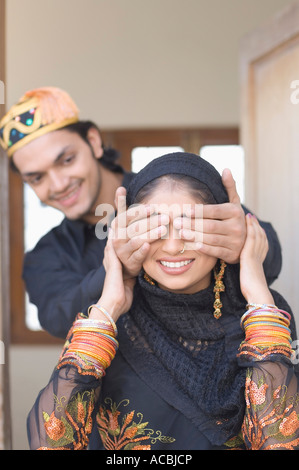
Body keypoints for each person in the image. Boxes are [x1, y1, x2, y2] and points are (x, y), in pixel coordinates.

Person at [27, 152, 299, 450]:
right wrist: (108, 304)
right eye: (153, 229)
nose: (172, 246)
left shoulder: (265, 316)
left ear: (221, 228)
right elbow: (51, 445)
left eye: (191, 225)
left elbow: (280, 442)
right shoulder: (106, 324)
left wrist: (257, 290)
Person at [0, 87, 282, 339]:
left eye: (67, 160)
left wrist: (244, 240)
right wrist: (116, 269)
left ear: (94, 141)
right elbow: (59, 321)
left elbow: (272, 260)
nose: (59, 184)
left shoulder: (171, 188)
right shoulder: (45, 256)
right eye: (37, 178)